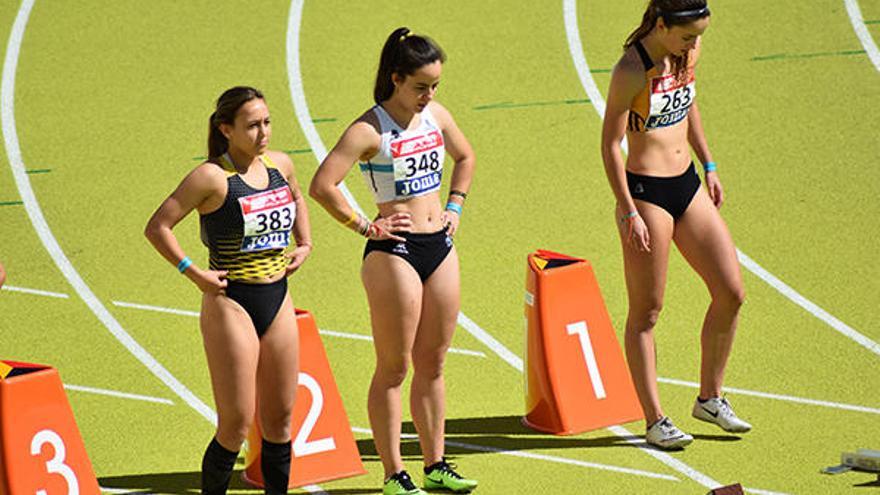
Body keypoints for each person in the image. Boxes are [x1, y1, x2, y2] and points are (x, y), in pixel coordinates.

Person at [310, 27, 478, 495]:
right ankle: (393, 473)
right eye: (420, 86)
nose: (429, 96)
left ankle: (437, 465)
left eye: (435, 86)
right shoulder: (369, 129)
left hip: (438, 246)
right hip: (393, 253)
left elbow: (465, 157)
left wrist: (455, 207)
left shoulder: (437, 116)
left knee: (435, 362)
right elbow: (323, 184)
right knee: (394, 367)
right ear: (395, 78)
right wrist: (367, 225)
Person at [145, 86, 312, 494]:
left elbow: (297, 197)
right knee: (236, 424)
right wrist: (192, 272)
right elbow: (158, 226)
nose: (263, 133)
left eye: (267, 123)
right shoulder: (212, 177)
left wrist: (304, 241)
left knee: (280, 421)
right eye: (252, 125)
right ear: (226, 129)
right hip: (231, 301)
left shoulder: (281, 165)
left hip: (278, 298)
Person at [601, 0, 751, 450]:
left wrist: (710, 163)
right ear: (661, 24)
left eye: (698, 35)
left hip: (687, 184)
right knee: (647, 312)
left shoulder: (688, 52)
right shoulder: (631, 70)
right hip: (646, 194)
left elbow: (689, 107)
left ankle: (710, 397)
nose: (694, 43)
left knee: (731, 292)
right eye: (687, 35)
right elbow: (610, 144)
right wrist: (627, 208)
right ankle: (655, 419)